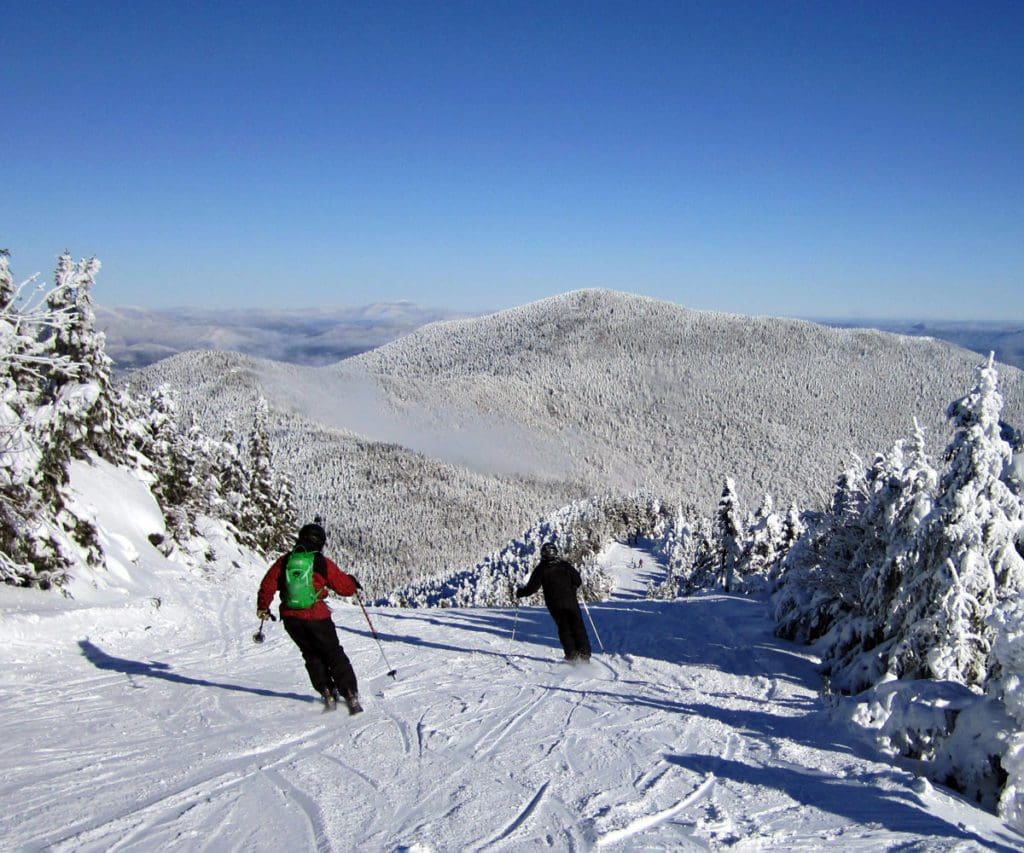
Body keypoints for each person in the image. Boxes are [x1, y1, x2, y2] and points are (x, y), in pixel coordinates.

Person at [257, 521, 364, 714]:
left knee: (311, 655)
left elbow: (268, 584)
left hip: (291, 618)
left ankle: (326, 691)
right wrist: (353, 583)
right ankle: (349, 693)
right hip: (317, 617)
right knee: (333, 653)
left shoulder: (285, 561)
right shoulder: (320, 562)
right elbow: (344, 588)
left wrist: (263, 607)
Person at [516, 542, 592, 662]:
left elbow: (532, 588)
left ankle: (572, 655)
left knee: (564, 628)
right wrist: (572, 588)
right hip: (570, 600)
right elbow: (577, 579)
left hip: (554, 603)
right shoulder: (564, 565)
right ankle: (584, 653)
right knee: (577, 626)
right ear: (555, 552)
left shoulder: (541, 569)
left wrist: (520, 592)